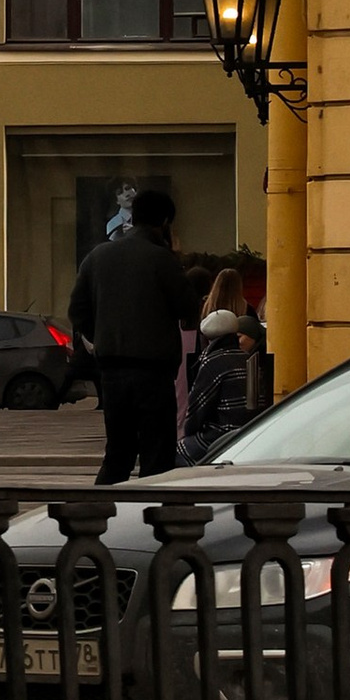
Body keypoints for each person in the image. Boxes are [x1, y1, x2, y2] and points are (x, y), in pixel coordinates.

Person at [71, 185, 189, 483]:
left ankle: (103, 517)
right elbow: (189, 312)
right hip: (154, 372)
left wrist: (101, 337)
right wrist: (176, 256)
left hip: (111, 370)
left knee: (118, 453)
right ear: (164, 222)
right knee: (157, 456)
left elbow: (77, 310)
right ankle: (149, 519)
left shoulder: (97, 257)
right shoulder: (163, 260)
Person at [176, 305, 257, 463]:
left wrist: (189, 432)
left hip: (223, 435)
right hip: (250, 432)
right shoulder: (247, 357)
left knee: (179, 454)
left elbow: (198, 407)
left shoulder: (214, 361)